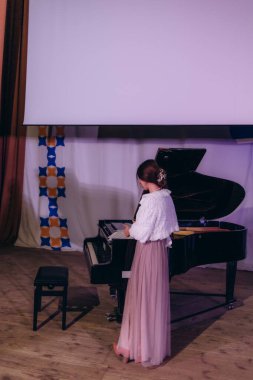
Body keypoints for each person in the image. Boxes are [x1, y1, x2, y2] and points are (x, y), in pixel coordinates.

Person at [113, 159, 179, 368]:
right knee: (153, 299)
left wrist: (128, 229)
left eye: (139, 179)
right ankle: (150, 347)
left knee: (141, 298)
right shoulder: (167, 198)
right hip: (159, 252)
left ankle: (133, 347)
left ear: (143, 180)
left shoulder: (150, 200)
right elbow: (168, 227)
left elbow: (141, 232)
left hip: (147, 251)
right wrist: (139, 226)